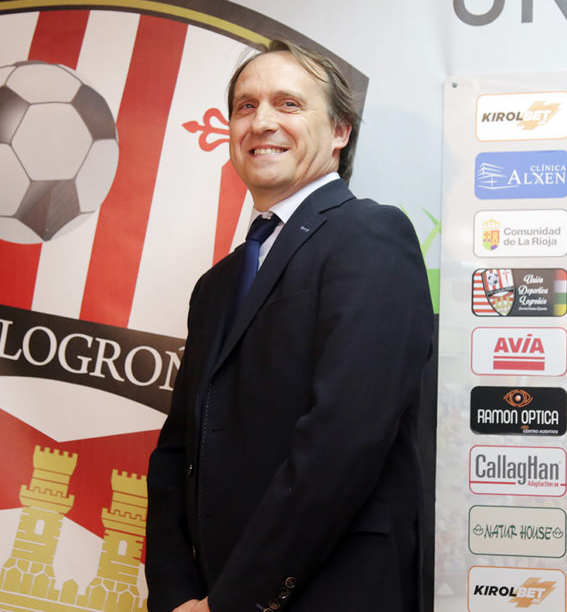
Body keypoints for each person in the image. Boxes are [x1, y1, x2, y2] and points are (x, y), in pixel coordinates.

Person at [145, 39, 433, 612]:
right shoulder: (217, 285)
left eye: (288, 104)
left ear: (340, 132)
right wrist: (178, 595)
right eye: (246, 106)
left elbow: (343, 440)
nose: (262, 122)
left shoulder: (369, 236)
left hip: (322, 592)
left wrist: (234, 601)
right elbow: (179, 450)